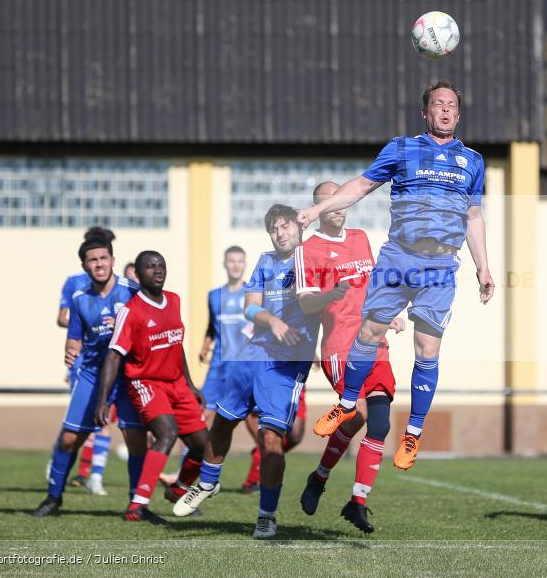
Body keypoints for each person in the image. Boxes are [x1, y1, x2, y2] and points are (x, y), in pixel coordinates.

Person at [297, 80, 494, 470]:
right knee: (370, 332)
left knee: (427, 349)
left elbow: (473, 216)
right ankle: (346, 404)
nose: (445, 110)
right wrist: (317, 211)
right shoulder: (401, 148)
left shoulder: (472, 161)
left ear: (458, 112)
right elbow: (361, 185)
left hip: (440, 266)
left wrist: (483, 267)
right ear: (425, 112)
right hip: (398, 257)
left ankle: (413, 433)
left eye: (451, 105)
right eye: (438, 104)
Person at [173, 205, 319, 539]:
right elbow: (250, 306)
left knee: (271, 439)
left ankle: (266, 516)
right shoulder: (266, 261)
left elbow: (335, 300)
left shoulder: (314, 260)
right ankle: (208, 482)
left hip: (287, 363)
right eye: (273, 228)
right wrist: (272, 319)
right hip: (253, 354)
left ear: (300, 229)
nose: (279, 233)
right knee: (222, 420)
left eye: (284, 227)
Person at [296, 181, 405, 533]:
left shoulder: (360, 238)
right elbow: (305, 302)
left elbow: (375, 286)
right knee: (354, 416)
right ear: (317, 210)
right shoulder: (308, 250)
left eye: (341, 199)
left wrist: (390, 313)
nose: (337, 207)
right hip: (340, 348)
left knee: (379, 424)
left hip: (376, 342)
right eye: (328, 202)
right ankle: (320, 477)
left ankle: (357, 501)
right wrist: (331, 294)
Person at [33, 238, 146, 517]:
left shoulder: (132, 292)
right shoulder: (79, 298)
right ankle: (53, 498)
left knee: (136, 439)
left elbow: (148, 331)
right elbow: (74, 340)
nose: (99, 264)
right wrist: (70, 352)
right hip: (93, 375)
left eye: (103, 258)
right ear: (84, 265)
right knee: (69, 439)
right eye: (93, 260)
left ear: (112, 260)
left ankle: (137, 504)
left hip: (127, 376)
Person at [97, 251, 209, 523]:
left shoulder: (173, 300)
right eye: (150, 266)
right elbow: (114, 355)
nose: (157, 271)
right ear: (138, 272)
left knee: (205, 447)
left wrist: (191, 383)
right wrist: (102, 401)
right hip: (146, 383)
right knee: (167, 433)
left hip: (177, 384)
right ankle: (137, 505)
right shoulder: (131, 311)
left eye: (161, 266)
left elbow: (176, 343)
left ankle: (178, 489)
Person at [52, 227, 117, 491]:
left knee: (104, 421)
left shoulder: (121, 285)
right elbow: (62, 318)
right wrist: (93, 325)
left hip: (114, 362)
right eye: (94, 254)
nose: (101, 262)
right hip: (85, 363)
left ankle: (95, 475)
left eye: (107, 251)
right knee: (81, 423)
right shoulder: (75, 283)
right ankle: (71, 470)